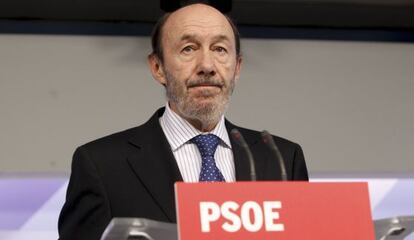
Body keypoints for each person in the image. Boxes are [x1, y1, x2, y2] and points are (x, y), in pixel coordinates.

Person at [58, 3, 308, 240]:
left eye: (220, 49)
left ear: (237, 67)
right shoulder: (102, 165)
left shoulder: (282, 159)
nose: (207, 66)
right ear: (158, 67)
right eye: (188, 48)